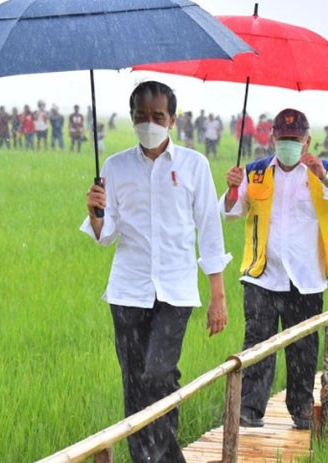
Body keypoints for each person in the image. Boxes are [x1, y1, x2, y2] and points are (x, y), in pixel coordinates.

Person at [83, 81, 229, 463]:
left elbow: (210, 231)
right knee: (134, 385)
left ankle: (161, 458)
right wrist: (96, 212)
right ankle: (149, 459)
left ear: (173, 119)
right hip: (127, 291)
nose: (149, 124)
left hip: (176, 291)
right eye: (141, 117)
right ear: (132, 119)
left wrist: (218, 296)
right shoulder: (114, 168)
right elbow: (106, 235)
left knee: (159, 375)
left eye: (157, 116)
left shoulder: (193, 165)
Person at [222, 108, 328, 430]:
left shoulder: (323, 170)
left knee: (304, 347)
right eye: (283, 139)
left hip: (307, 278)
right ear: (272, 139)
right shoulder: (254, 173)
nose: (289, 146)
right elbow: (229, 213)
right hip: (263, 274)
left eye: (295, 140)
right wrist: (231, 189)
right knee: (258, 344)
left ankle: (301, 408)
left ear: (307, 141)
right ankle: (249, 409)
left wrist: (323, 176)